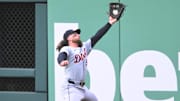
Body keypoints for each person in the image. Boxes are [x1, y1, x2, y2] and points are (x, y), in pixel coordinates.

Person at [56, 16, 118, 101]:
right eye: (73, 33)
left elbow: (97, 36)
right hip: (71, 88)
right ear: (68, 38)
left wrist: (109, 23)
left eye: (77, 33)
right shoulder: (67, 48)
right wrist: (62, 61)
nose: (77, 34)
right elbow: (62, 55)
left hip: (82, 88)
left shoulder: (85, 46)